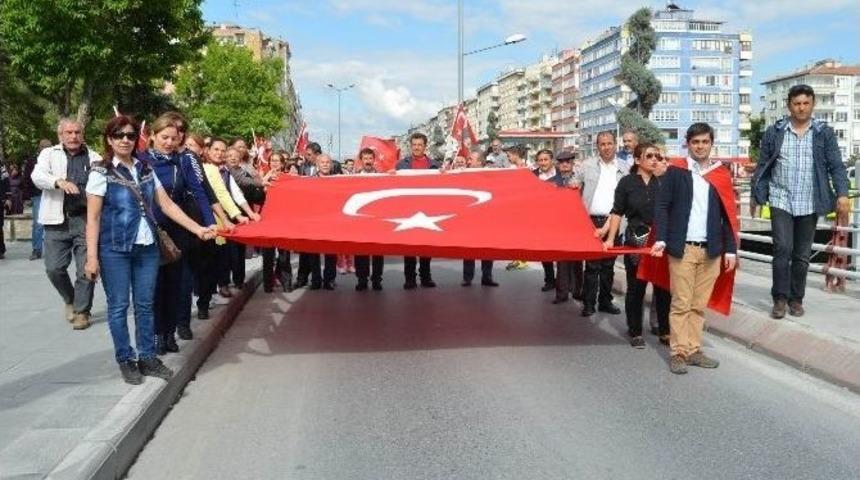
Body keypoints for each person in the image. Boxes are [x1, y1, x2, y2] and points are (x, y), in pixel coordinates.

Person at [84, 115, 215, 384]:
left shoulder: (145, 169)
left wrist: (198, 228)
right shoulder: (100, 171)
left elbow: (168, 206)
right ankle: (125, 359)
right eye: (119, 135)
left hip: (147, 248)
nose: (125, 140)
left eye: (130, 135)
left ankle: (147, 357)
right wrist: (91, 257)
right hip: (115, 249)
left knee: (145, 305)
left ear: (137, 139)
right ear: (109, 139)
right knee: (119, 307)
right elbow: (93, 218)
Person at [752, 84, 850, 319]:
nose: (801, 108)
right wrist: (757, 195)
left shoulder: (823, 133)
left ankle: (796, 299)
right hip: (780, 197)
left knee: (802, 254)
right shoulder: (774, 132)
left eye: (806, 103)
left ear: (812, 104)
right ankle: (779, 298)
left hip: (810, 199)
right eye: (797, 104)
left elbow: (836, 166)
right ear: (789, 105)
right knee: (782, 248)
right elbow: (763, 165)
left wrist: (842, 194)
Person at [650, 122, 738, 374]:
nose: (700, 146)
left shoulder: (720, 174)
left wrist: (730, 249)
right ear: (688, 144)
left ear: (712, 144)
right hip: (683, 247)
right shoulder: (676, 171)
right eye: (695, 142)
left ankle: (693, 348)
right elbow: (663, 206)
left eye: (705, 142)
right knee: (681, 302)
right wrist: (662, 238)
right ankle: (678, 352)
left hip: (712, 249)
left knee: (699, 304)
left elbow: (728, 216)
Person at [31, 118, 102, 329]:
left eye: (77, 132)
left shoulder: (94, 157)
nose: (73, 136)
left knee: (85, 269)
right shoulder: (49, 154)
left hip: (84, 219)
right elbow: (37, 176)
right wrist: (58, 182)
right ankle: (70, 298)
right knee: (54, 268)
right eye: (68, 133)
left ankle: (82, 311)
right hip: (56, 220)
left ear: (83, 134)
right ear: (60, 135)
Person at [604, 143, 671, 348]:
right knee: (636, 288)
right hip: (636, 240)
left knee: (663, 288)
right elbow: (617, 212)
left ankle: (664, 329)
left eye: (657, 156)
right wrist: (609, 239)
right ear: (637, 160)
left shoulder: (664, 182)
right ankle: (635, 330)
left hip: (660, 241)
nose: (654, 160)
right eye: (649, 156)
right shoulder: (627, 183)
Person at [574, 131, 627, 317]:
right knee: (591, 266)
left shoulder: (625, 167)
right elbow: (573, 186)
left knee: (608, 267)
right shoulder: (586, 166)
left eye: (609, 143)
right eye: (602, 144)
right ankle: (589, 303)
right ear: (597, 146)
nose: (606, 147)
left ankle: (605, 301)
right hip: (591, 221)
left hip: (616, 222)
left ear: (615, 144)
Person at [396, 132, 441, 290]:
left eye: (419, 145)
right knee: (409, 247)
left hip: (428, 210)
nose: (416, 148)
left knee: (426, 247)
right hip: (407, 210)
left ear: (425, 146)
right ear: (411, 146)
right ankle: (409, 279)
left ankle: (426, 277)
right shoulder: (401, 165)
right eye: (414, 145)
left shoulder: (435, 165)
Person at [549, 151, 584, 304]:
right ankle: (561, 293)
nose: (565, 164)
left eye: (568, 162)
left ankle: (577, 290)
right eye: (562, 162)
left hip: (578, 225)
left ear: (572, 163)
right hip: (559, 226)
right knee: (562, 261)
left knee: (577, 260)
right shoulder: (551, 182)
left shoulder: (582, 181)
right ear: (557, 164)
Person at [461, 151, 499, 287]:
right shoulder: (462, 175)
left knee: (487, 248)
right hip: (469, 218)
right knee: (469, 248)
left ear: (480, 162)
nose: (468, 161)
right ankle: (467, 277)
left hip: (486, 218)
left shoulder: (490, 176)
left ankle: (487, 276)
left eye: (471, 159)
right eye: (469, 159)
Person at [260, 152, 293, 293]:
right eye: (272, 160)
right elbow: (257, 195)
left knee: (284, 254)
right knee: (268, 254)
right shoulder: (263, 177)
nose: (275, 163)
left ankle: (286, 281)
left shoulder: (288, 178)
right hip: (267, 220)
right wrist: (264, 180)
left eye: (277, 161)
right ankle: (268, 284)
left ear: (282, 163)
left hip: (284, 220)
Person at [353, 148, 385, 291]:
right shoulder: (353, 178)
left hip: (377, 220)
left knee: (378, 252)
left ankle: (377, 279)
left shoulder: (382, 177)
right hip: (359, 221)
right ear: (361, 160)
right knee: (360, 252)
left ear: (374, 160)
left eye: (370, 158)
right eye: (365, 158)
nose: (367, 161)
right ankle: (362, 279)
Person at [310, 154, 339, 290]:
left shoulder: (338, 181)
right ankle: (316, 279)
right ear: (317, 164)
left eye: (328, 162)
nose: (325, 164)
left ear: (331, 165)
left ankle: (329, 279)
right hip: (314, 221)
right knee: (313, 252)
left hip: (331, 221)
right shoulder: (308, 181)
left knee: (330, 251)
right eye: (322, 162)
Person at [22, 139, 53, 260]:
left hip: (53, 193)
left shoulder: (55, 159)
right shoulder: (32, 161)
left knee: (54, 223)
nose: (45, 149)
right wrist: (27, 195)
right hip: (38, 194)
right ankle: (36, 249)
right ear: (39, 148)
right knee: (38, 224)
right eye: (43, 147)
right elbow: (27, 178)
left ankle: (53, 250)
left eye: (48, 147)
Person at [532, 149, 558, 291]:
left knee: (560, 250)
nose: (543, 163)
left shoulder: (561, 175)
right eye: (540, 160)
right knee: (545, 251)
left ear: (552, 160)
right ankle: (549, 279)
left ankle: (564, 282)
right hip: (540, 218)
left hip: (558, 218)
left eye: (545, 159)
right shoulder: (532, 176)